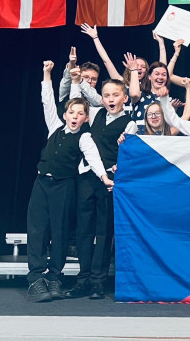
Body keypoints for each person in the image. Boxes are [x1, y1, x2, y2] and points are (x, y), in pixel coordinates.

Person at [27, 61, 112, 303]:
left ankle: (55, 277)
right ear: (65, 115)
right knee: (37, 229)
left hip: (64, 187)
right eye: (71, 112)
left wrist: (104, 177)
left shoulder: (84, 137)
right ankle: (35, 278)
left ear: (86, 118)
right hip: (42, 184)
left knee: (61, 231)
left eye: (80, 113)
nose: (75, 116)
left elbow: (94, 158)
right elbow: (47, 100)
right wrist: (46, 74)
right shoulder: (54, 126)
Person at [65, 75, 137, 300]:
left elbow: (130, 156)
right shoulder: (95, 115)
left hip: (110, 182)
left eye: (115, 95)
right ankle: (83, 279)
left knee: (104, 232)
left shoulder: (129, 123)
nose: (110, 99)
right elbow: (75, 103)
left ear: (124, 98)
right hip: (87, 178)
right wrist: (75, 79)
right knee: (84, 230)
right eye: (106, 95)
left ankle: (98, 281)